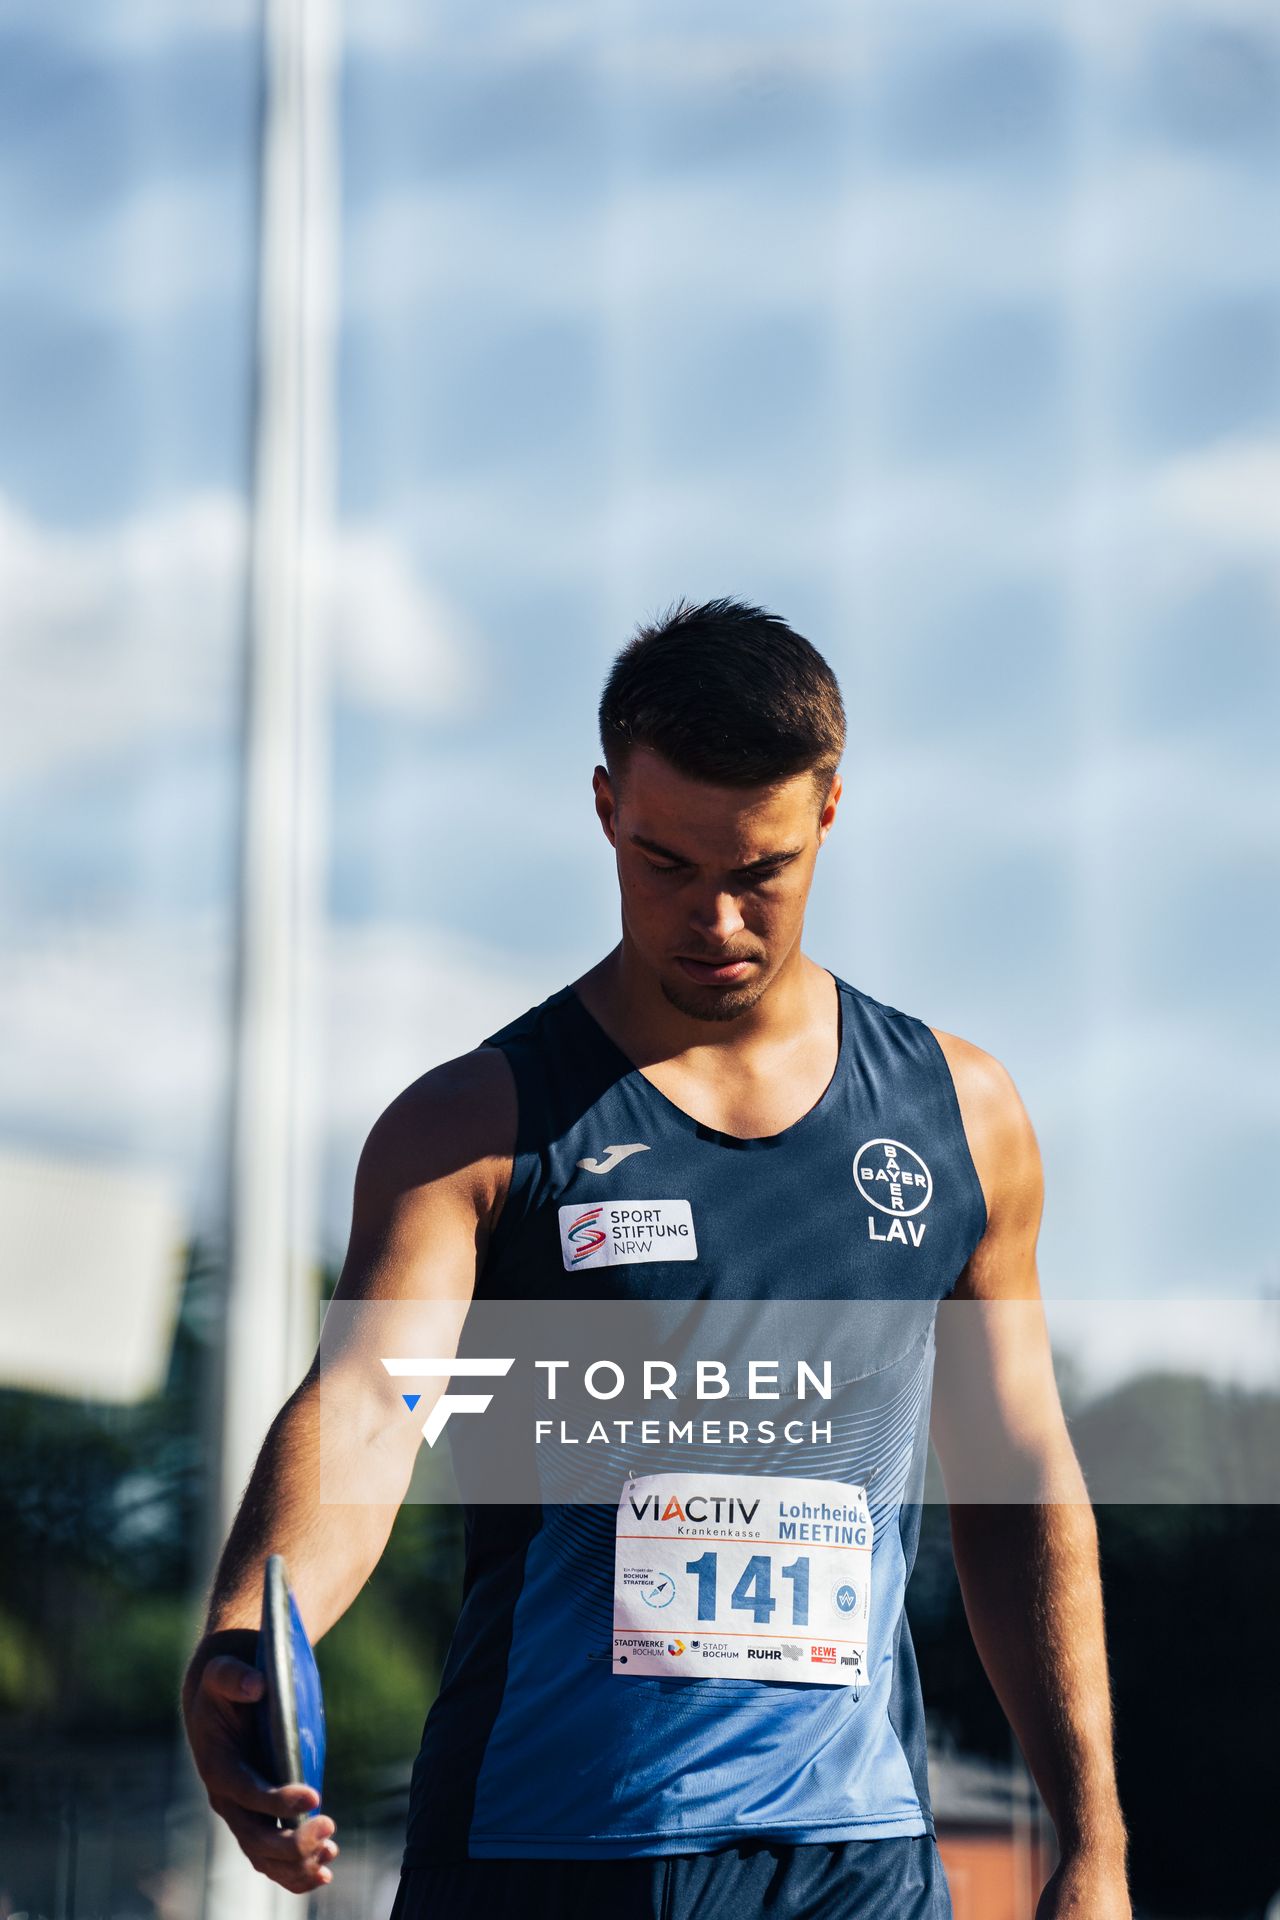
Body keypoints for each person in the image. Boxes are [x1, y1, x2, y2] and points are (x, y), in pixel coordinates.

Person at [182, 599, 1131, 1917]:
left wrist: (1094, 1841)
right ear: (604, 809)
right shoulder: (472, 1129)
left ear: (831, 815)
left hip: (850, 1862)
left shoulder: (962, 1118)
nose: (716, 919)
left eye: (762, 870)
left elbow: (1019, 1475)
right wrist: (250, 1625)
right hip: (543, 1847)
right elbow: (367, 1410)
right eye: (667, 864)